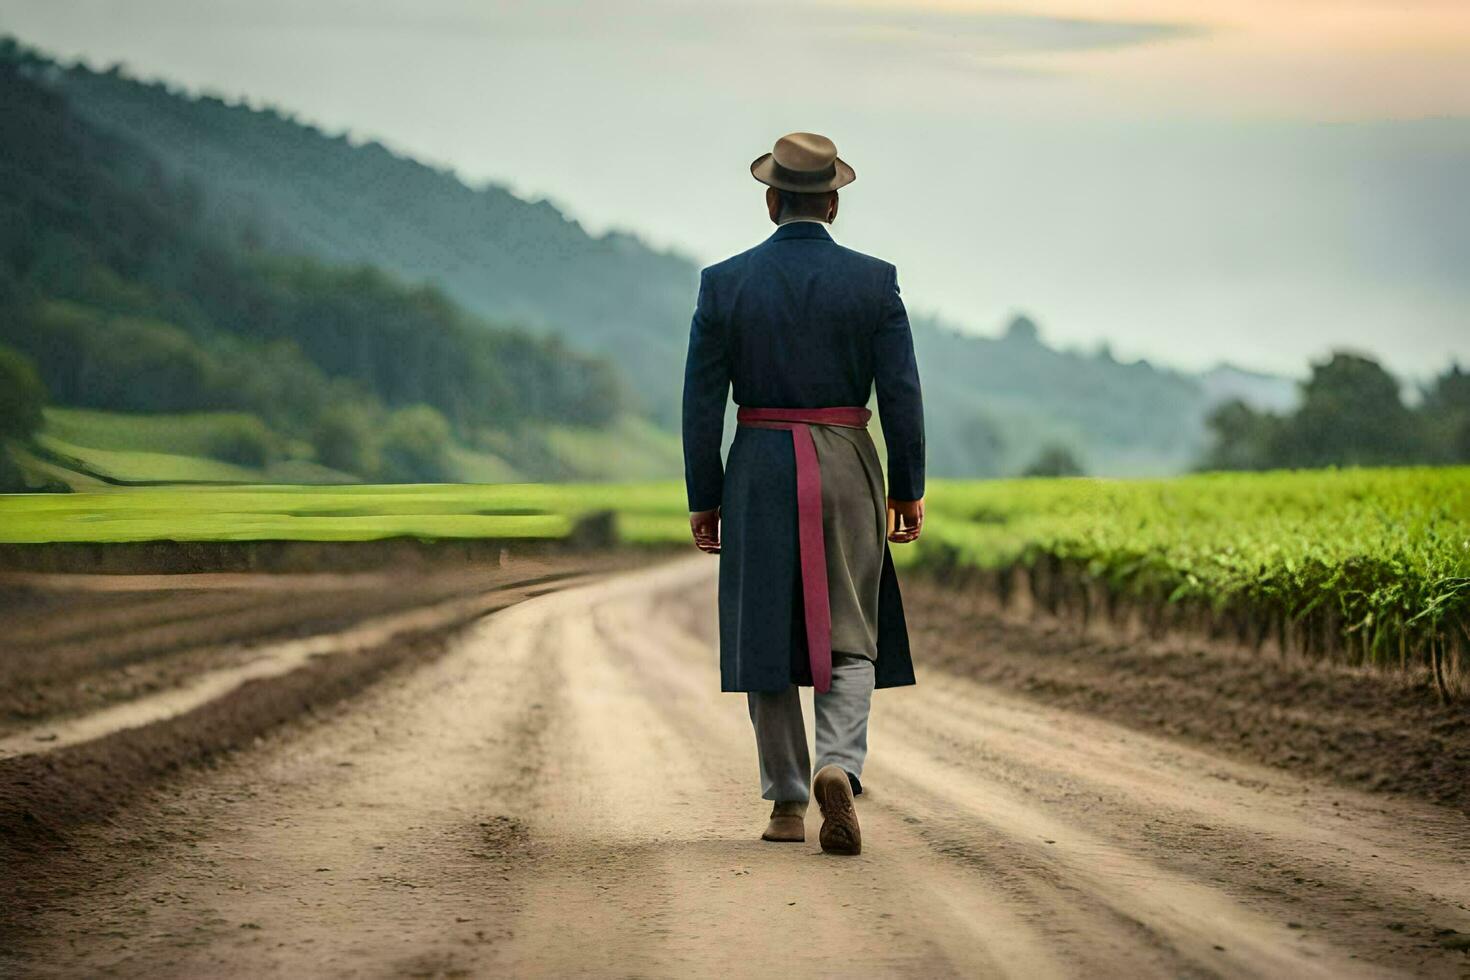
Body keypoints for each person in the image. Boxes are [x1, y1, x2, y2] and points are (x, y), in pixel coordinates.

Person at [681, 131, 926, 856]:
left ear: (770, 202)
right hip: (849, 462)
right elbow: (902, 392)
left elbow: (702, 401)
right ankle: (838, 765)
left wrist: (705, 494)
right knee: (853, 628)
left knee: (764, 631)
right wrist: (907, 486)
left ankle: (788, 804)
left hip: (758, 462)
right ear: (833, 202)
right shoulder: (875, 281)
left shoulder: (724, 284)